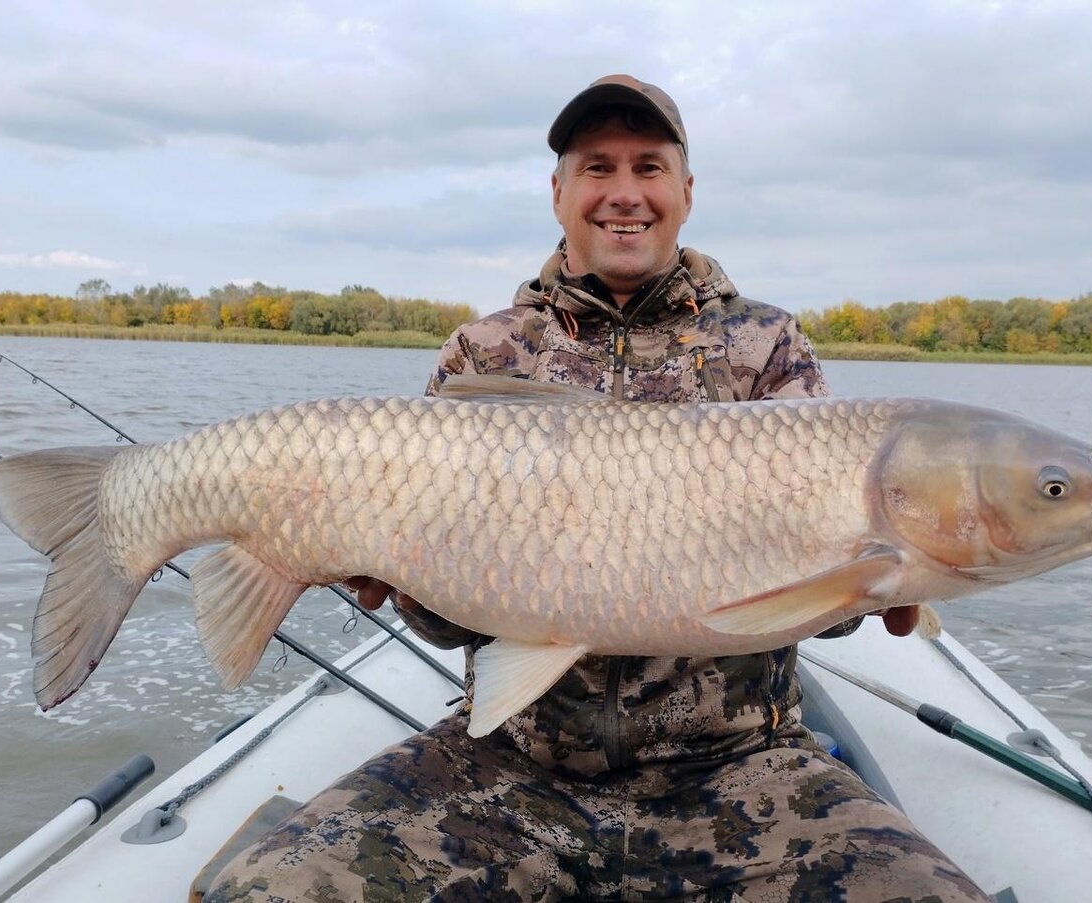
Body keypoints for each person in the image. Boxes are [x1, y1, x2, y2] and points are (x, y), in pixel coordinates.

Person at [205, 75, 991, 902]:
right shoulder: (488, 353)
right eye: (597, 168)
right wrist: (397, 574)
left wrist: (868, 590)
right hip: (510, 765)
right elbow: (444, 621)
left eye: (649, 167)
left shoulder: (766, 346)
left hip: (742, 771)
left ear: (686, 191)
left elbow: (809, 608)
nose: (625, 194)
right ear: (558, 193)